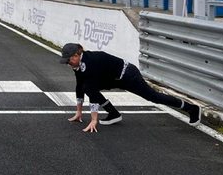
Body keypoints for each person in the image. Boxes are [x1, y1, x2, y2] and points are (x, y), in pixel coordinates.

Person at [59, 43, 201, 133]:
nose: (67, 63)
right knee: (86, 87)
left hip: (128, 75)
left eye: (69, 60)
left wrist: (94, 119)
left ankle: (191, 108)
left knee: (153, 97)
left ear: (76, 55)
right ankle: (113, 114)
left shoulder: (90, 63)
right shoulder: (78, 65)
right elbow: (79, 87)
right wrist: (78, 112)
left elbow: (93, 91)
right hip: (113, 78)